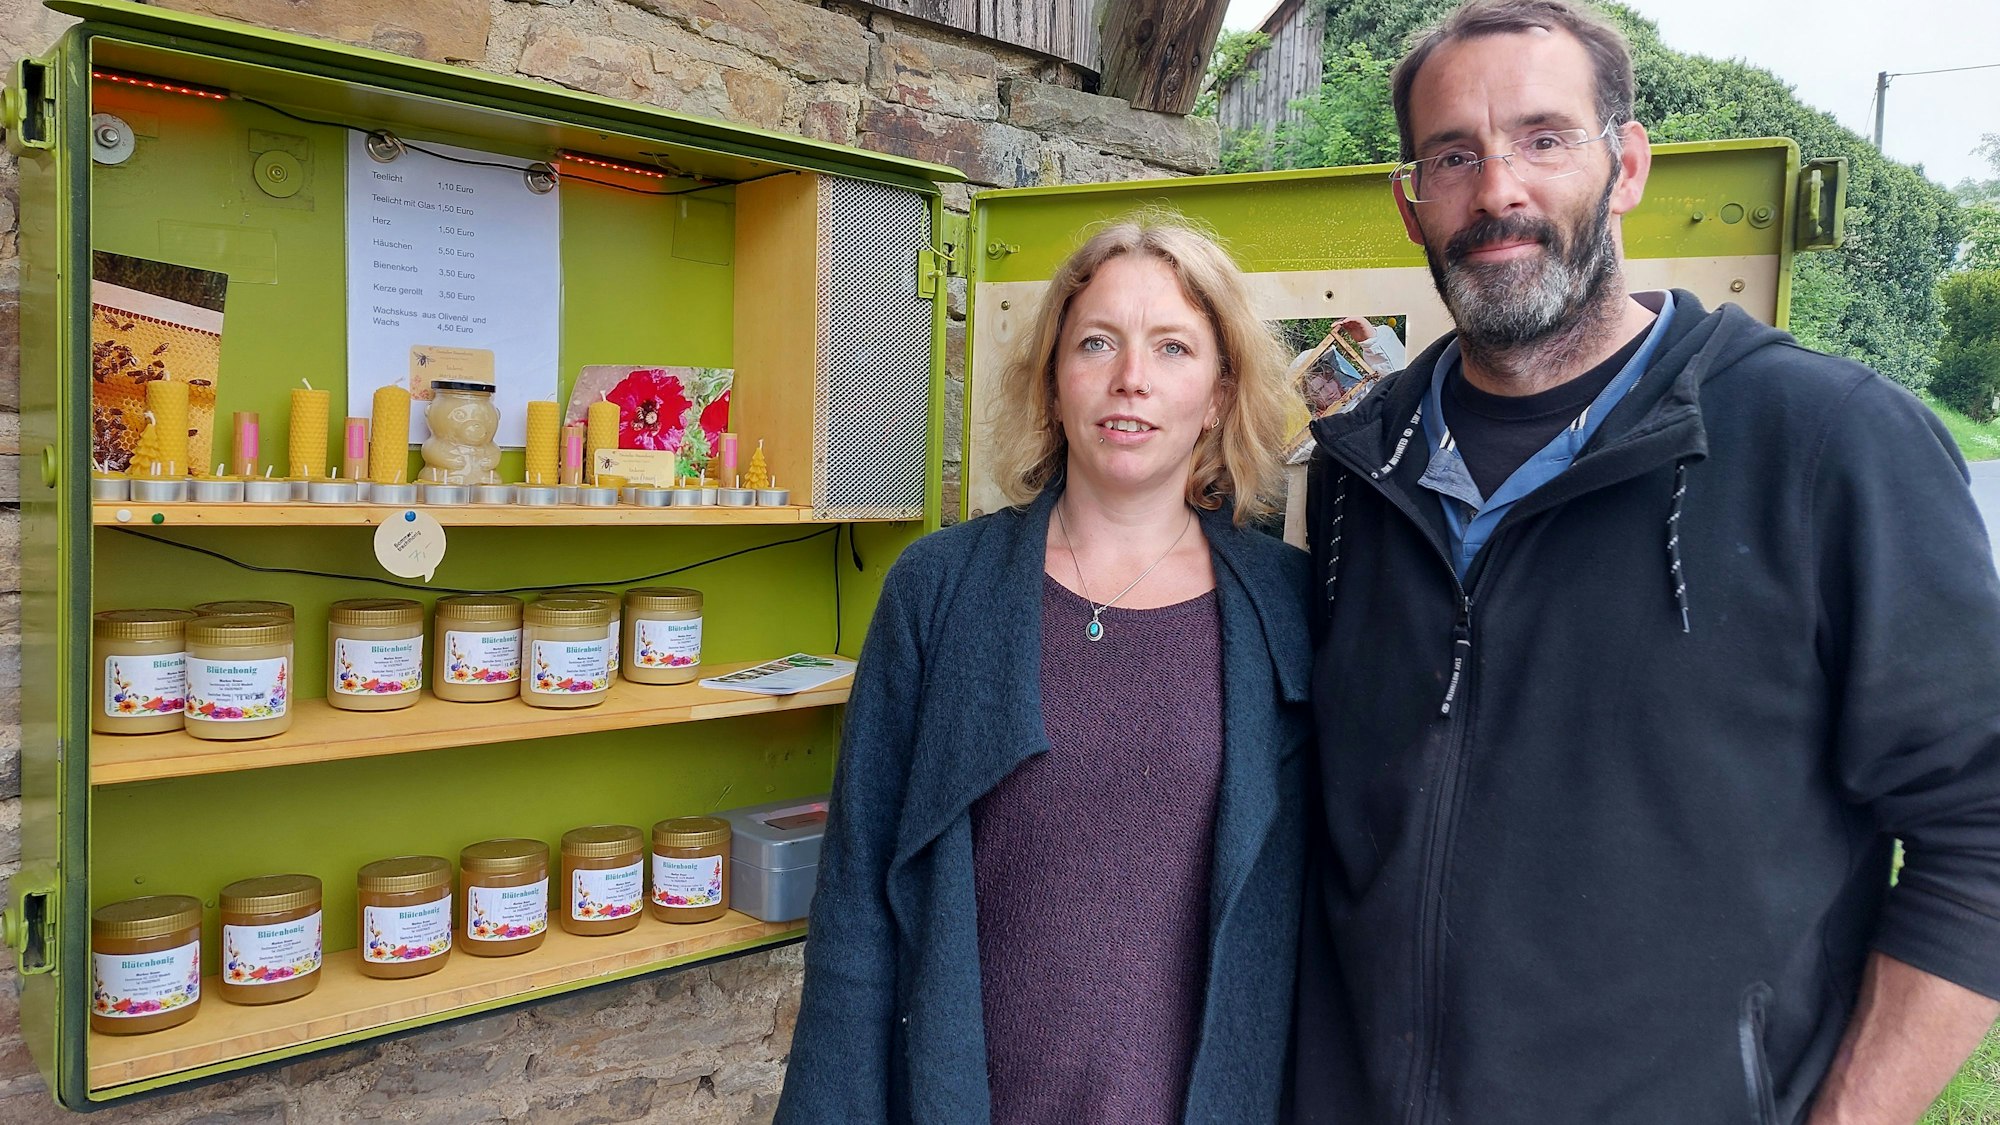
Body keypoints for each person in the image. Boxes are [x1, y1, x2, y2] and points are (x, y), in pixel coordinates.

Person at [1295, 2, 2000, 1123]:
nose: (1497, 193)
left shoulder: (1824, 443)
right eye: (1452, 155)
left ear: (1624, 166)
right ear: (1408, 201)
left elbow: (1981, 833)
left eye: (1542, 138)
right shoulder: (1355, 467)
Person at [777, 216, 1313, 1124]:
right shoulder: (938, 589)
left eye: (1173, 347)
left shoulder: (1290, 611)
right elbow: (859, 899)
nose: (1129, 378)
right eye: (1096, 342)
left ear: (1220, 395)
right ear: (1054, 381)